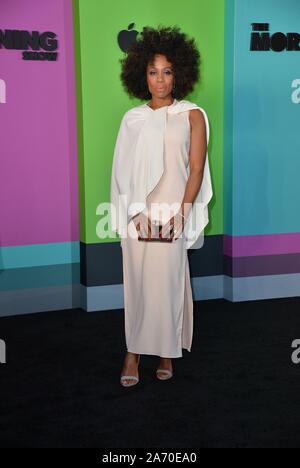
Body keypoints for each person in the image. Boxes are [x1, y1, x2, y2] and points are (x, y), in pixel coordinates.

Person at [110, 25, 213, 387]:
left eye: (167, 71)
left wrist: (181, 215)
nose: (160, 80)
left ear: (179, 73)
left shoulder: (192, 115)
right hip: (139, 215)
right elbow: (121, 171)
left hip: (173, 213)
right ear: (142, 74)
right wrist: (133, 214)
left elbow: (196, 169)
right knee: (137, 284)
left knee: (167, 283)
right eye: (153, 71)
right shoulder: (133, 119)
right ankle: (132, 353)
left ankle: (167, 350)